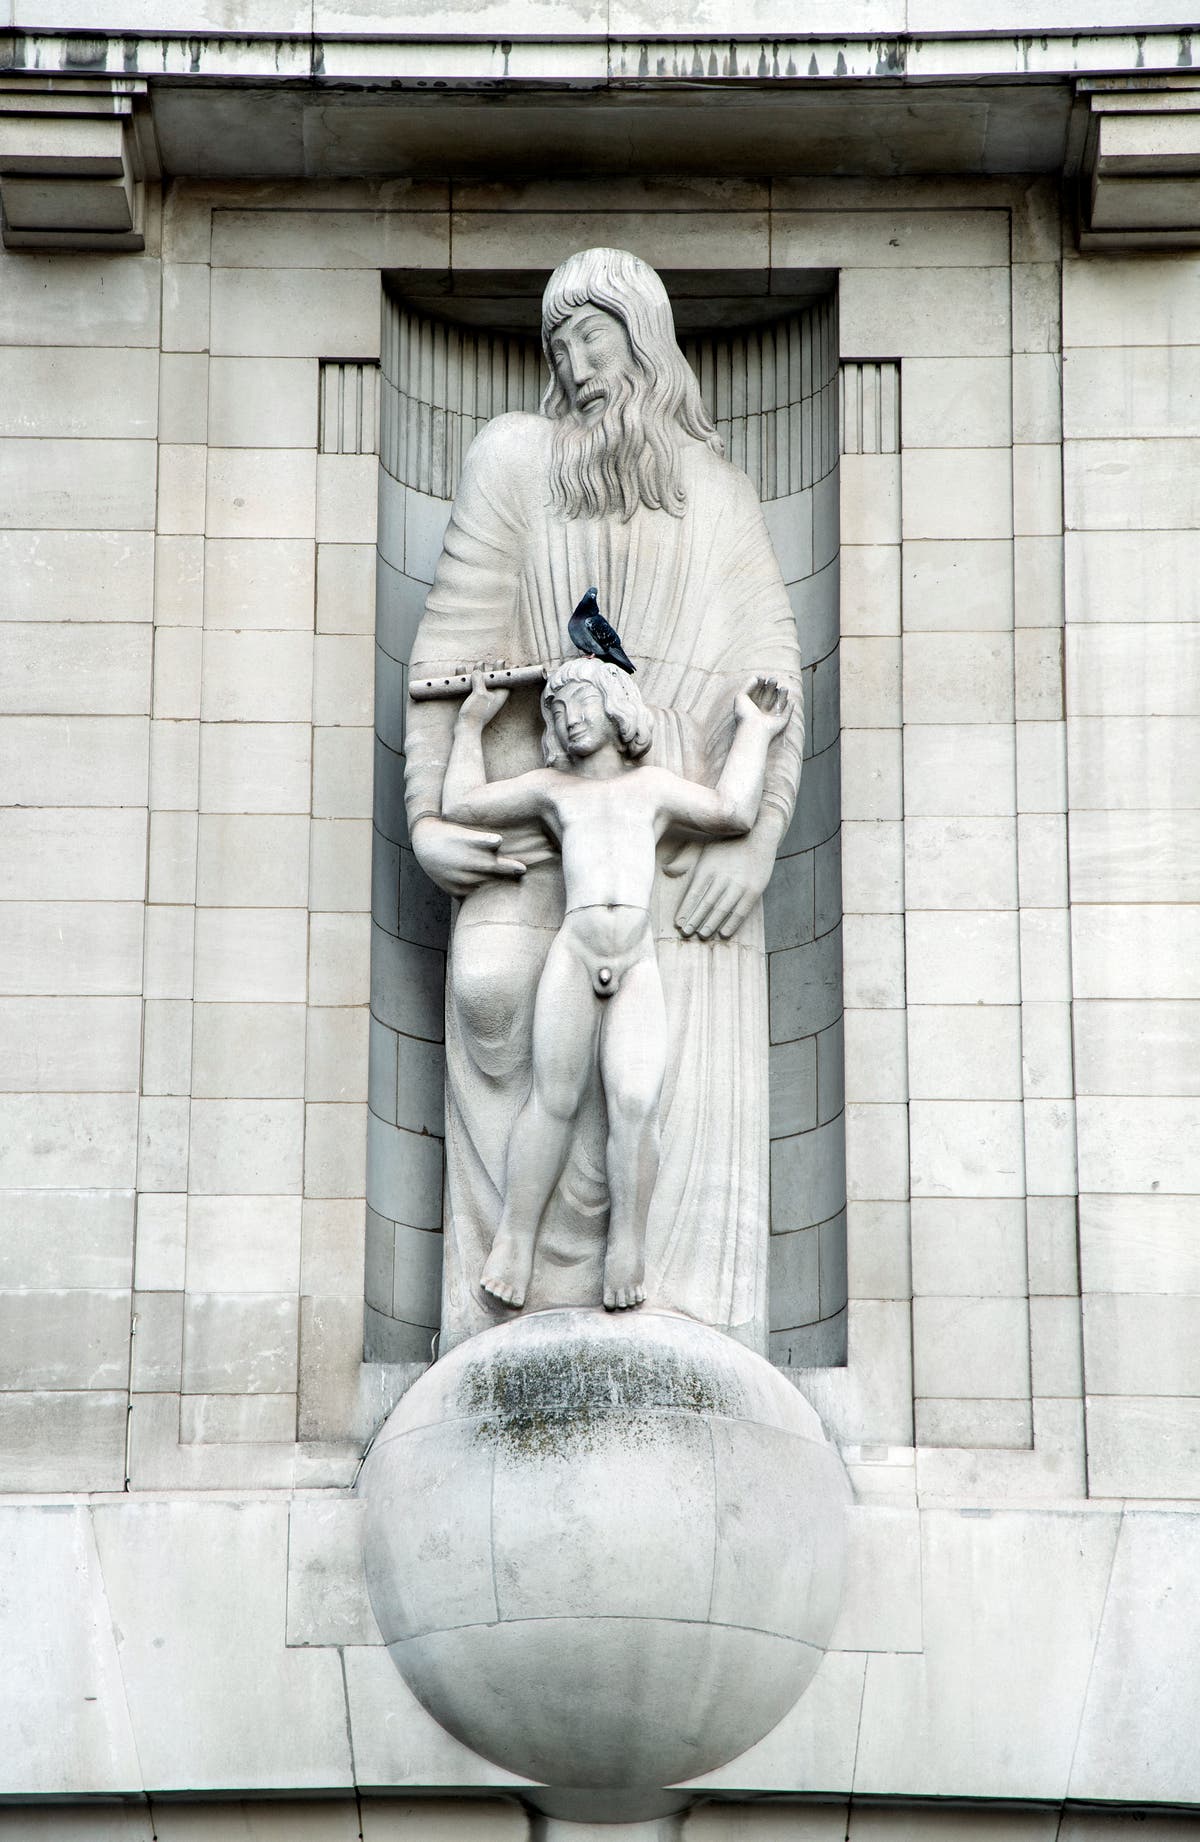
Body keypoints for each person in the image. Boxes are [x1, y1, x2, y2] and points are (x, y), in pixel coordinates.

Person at [405, 247, 805, 1348]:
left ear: (645, 339)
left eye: (595, 336)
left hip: (676, 851)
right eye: (560, 345)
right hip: (546, 837)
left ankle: (672, 1314)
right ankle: (506, 1295)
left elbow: (773, 669)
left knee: (653, 1098)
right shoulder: (514, 461)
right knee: (493, 995)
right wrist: (427, 820)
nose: (578, 364)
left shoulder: (719, 496)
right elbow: (450, 653)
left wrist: (757, 842)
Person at [441, 659, 794, 1312]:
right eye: (557, 709)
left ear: (617, 708)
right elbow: (460, 805)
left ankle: (626, 1246)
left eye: (581, 703)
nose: (569, 718)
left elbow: (733, 810)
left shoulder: (652, 789)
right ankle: (515, 1241)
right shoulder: (552, 789)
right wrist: (470, 726)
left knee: (635, 1102)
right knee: (553, 1097)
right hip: (574, 953)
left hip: (635, 959)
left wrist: (754, 730)